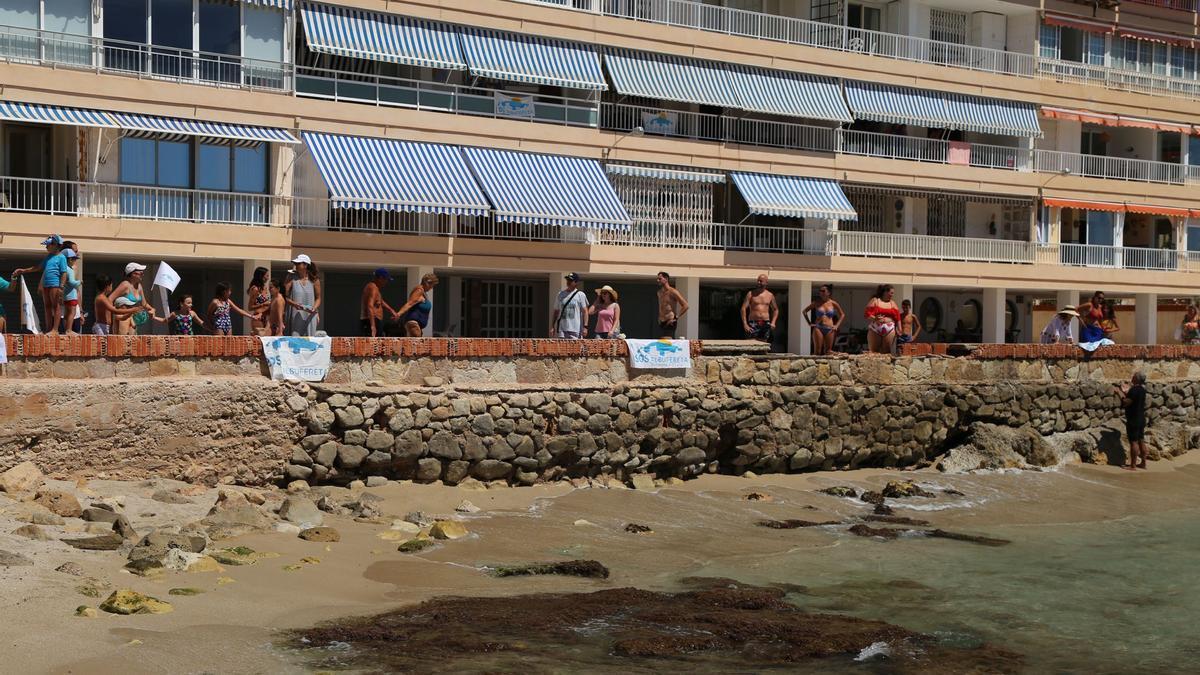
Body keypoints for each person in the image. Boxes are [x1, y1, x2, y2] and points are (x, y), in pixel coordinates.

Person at [11, 234, 70, 335]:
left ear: (56, 245)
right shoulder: (48, 257)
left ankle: (55, 330)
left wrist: (61, 287)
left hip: (55, 285)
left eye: (48, 245)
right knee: (47, 306)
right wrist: (24, 270)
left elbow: (64, 273)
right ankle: (48, 328)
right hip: (46, 285)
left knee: (56, 306)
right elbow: (38, 268)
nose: (46, 247)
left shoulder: (61, 258)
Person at [109, 262, 152, 336]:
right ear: (133, 274)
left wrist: (152, 309)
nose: (143, 275)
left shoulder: (139, 286)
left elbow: (144, 304)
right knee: (122, 342)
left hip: (131, 317)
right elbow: (109, 299)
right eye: (141, 273)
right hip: (122, 317)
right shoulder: (125, 284)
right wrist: (113, 313)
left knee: (132, 343)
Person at [1117, 372, 1148, 470]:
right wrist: (1127, 392)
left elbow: (1126, 402)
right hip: (1141, 418)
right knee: (1141, 440)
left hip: (1133, 418)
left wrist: (1120, 393)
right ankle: (1143, 463)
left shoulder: (1134, 390)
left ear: (1137, 379)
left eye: (1134, 376)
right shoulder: (1142, 390)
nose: (1132, 377)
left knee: (1133, 442)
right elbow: (1134, 399)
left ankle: (1133, 466)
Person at [284, 254, 321, 337]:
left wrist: (314, 308)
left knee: (309, 341)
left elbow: (318, 298)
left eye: (298, 263)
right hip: (294, 315)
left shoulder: (314, 280)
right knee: (294, 341)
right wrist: (294, 304)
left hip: (310, 315)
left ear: (305, 265)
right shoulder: (291, 277)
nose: (296, 265)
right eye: (295, 264)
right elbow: (284, 296)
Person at [801, 284, 843, 355]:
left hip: (830, 328)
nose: (821, 292)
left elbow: (842, 314)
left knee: (828, 351)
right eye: (820, 291)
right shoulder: (816, 303)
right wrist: (809, 322)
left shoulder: (833, 303)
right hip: (818, 328)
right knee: (817, 351)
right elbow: (804, 311)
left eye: (823, 291)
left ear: (828, 293)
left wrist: (836, 325)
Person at [395, 272, 438, 337]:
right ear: (427, 283)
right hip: (413, 323)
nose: (432, 287)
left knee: (417, 345)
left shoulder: (423, 292)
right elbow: (410, 303)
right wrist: (398, 314)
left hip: (417, 325)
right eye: (432, 285)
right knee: (417, 345)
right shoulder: (419, 290)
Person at [740, 274, 778, 344]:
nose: (758, 282)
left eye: (761, 281)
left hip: (765, 322)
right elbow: (743, 308)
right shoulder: (751, 294)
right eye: (758, 281)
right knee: (751, 344)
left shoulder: (770, 295)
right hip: (753, 322)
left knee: (764, 343)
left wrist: (773, 322)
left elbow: (775, 310)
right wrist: (745, 324)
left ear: (766, 282)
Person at [360, 268, 399, 337]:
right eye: (386, 279)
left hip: (374, 321)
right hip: (370, 321)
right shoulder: (373, 288)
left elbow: (380, 301)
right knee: (373, 346)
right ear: (380, 278)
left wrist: (391, 310)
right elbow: (370, 306)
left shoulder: (375, 288)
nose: (386, 282)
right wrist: (373, 326)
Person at [864, 284, 901, 354]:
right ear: (885, 292)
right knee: (874, 351)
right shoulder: (875, 300)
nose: (892, 295)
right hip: (875, 328)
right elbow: (867, 314)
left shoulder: (892, 303)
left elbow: (898, 318)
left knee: (887, 352)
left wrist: (900, 329)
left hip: (889, 328)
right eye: (891, 293)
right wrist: (875, 318)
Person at [551, 272, 589, 339]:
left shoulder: (580, 295)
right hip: (562, 329)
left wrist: (585, 327)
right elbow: (556, 311)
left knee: (575, 349)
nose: (568, 282)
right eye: (567, 280)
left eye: (571, 280)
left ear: (576, 282)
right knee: (563, 349)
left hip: (575, 329)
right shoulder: (560, 294)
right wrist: (552, 326)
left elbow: (585, 311)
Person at [60, 241, 84, 334]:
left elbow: (77, 290)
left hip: (72, 302)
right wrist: (79, 282)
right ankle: (68, 329)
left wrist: (81, 311)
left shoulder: (73, 267)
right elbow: (72, 283)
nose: (77, 253)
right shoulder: (67, 268)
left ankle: (68, 329)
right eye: (75, 251)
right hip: (63, 306)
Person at [656, 271, 689, 338]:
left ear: (666, 279)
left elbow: (685, 305)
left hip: (670, 321)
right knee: (661, 343)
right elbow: (662, 306)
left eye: (660, 279)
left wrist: (676, 317)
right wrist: (659, 317)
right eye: (658, 279)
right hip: (661, 322)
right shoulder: (659, 293)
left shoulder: (673, 292)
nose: (658, 280)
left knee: (667, 342)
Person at [246, 266, 272, 336]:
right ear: (261, 276)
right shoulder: (255, 289)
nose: (268, 278)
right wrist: (263, 304)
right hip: (258, 318)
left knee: (267, 340)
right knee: (259, 341)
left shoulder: (265, 288)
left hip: (267, 317)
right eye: (267, 276)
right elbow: (250, 307)